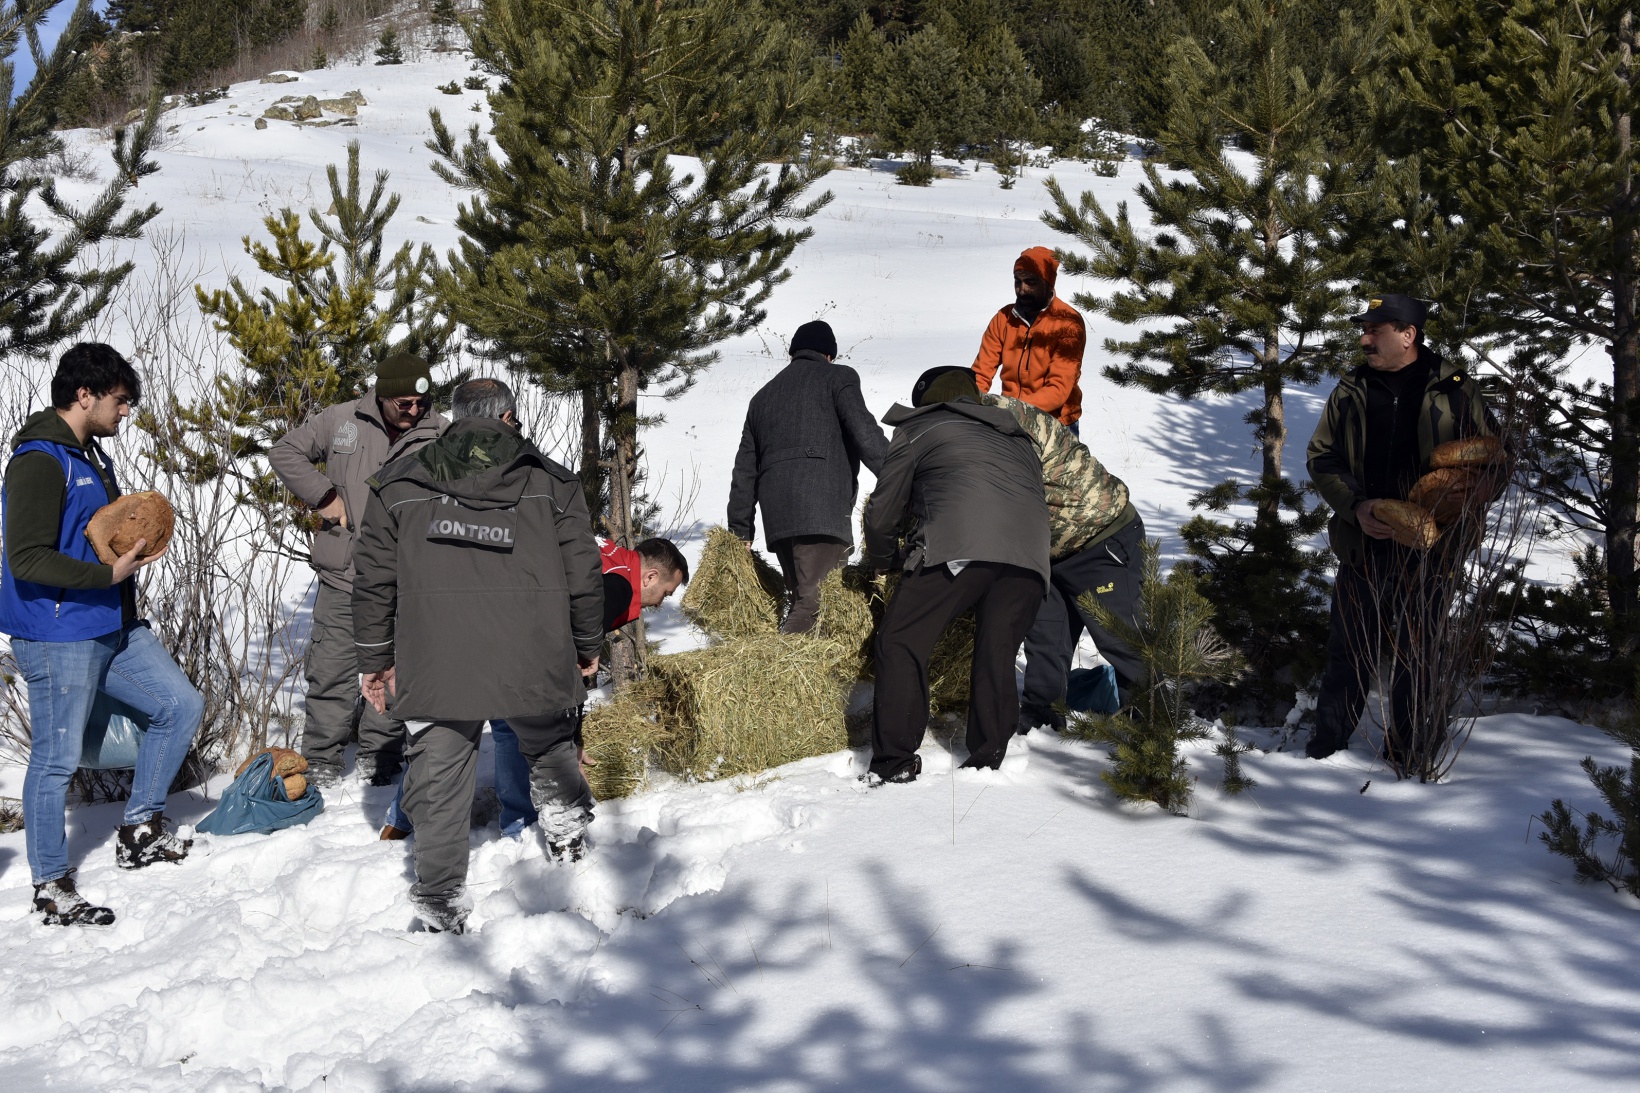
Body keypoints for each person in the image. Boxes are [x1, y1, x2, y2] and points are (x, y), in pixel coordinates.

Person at [351, 378, 603, 934]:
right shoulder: (551, 481)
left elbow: (371, 581)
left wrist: (375, 658)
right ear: (509, 418)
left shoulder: (399, 482)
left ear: (453, 418)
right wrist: (587, 645)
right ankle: (567, 838)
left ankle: (439, 896)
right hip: (532, 652)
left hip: (437, 657)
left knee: (439, 768)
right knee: (549, 742)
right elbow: (584, 572)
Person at [1, 343, 204, 927]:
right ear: (83, 395)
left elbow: (92, 533)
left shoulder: (90, 455)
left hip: (112, 623)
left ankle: (140, 828)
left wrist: (127, 551)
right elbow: (26, 558)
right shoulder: (41, 460)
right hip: (59, 630)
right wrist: (104, 574)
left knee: (179, 704)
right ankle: (49, 884)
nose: (125, 412)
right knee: (57, 759)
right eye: (120, 401)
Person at [377, 536, 689, 840]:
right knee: (512, 727)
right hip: (508, 636)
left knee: (447, 727)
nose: (660, 602)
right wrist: (570, 740)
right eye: (665, 592)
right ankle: (519, 829)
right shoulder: (619, 586)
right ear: (649, 576)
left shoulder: (603, 550)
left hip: (473, 609)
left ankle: (399, 821)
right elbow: (572, 657)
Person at [1305, 294, 1501, 773]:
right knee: (1348, 651)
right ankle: (1322, 755)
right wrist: (1358, 506)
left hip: (1432, 550)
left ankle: (1410, 759)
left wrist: (1468, 495)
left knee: (1420, 654)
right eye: (1364, 330)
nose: (1364, 338)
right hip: (1364, 542)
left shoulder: (1455, 389)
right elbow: (1322, 456)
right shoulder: (1351, 388)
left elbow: (1495, 458)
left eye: (1375, 330)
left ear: (1408, 334)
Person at [862, 367, 1050, 783]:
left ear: (928, 400)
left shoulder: (920, 428)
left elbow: (882, 512)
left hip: (961, 548)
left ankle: (894, 761)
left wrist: (882, 558)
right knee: (996, 650)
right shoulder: (1018, 438)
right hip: (1031, 560)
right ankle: (988, 755)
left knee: (900, 639)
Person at [269, 353, 447, 786]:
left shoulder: (441, 432)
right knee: (331, 669)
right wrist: (324, 494)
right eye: (403, 403)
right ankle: (322, 759)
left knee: (394, 670)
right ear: (382, 395)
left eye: (420, 403)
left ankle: (379, 755)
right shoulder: (341, 420)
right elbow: (285, 451)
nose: (414, 411)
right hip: (345, 574)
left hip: (406, 580)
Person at [971, 381, 1145, 731]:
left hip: (1100, 537)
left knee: (1120, 639)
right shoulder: (976, 427)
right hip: (1049, 550)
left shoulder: (1004, 422)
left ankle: (1150, 723)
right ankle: (1042, 715)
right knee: (1046, 636)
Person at [728, 320, 889, 633]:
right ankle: (783, 675)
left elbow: (744, 469)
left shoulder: (762, 398)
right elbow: (865, 434)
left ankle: (804, 676)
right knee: (814, 607)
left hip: (777, 519)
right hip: (820, 509)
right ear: (829, 355)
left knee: (804, 599)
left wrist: (740, 529)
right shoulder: (838, 377)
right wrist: (900, 477)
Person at [971, 246, 1087, 432]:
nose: (1022, 290)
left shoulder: (1068, 323)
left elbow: (1058, 389)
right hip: (1011, 419)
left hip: (1055, 423)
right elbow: (981, 373)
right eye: (1018, 282)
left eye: (1031, 282)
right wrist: (970, 402)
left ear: (1048, 283)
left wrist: (1011, 408)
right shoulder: (1004, 318)